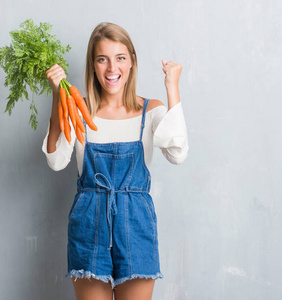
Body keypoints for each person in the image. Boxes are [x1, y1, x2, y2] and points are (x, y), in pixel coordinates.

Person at [42, 22, 189, 300]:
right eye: (102, 59)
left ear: (132, 62)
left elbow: (177, 153)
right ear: (93, 65)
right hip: (89, 224)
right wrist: (57, 95)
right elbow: (55, 160)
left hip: (136, 224)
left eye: (120, 58)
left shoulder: (152, 110)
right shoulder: (78, 111)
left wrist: (172, 86)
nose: (112, 69)